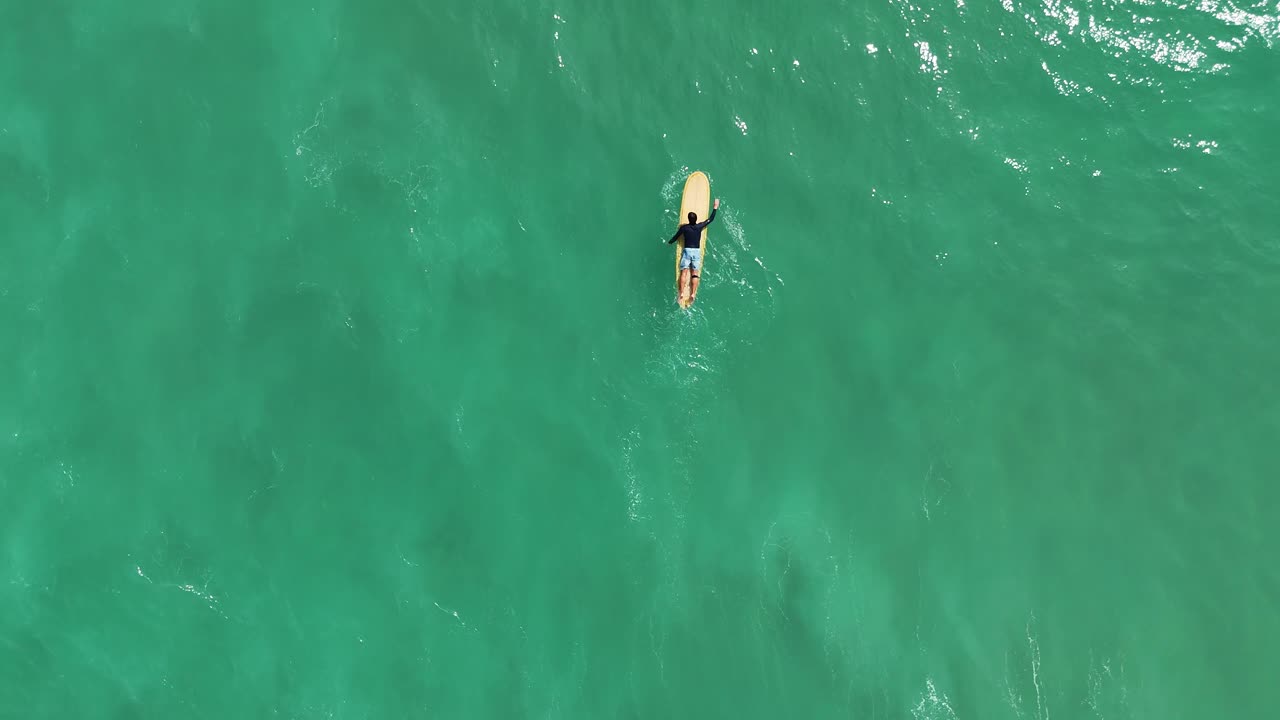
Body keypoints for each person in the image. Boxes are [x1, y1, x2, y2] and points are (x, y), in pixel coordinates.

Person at [668, 198, 719, 304]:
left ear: (688, 219)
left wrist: (669, 242)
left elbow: (676, 237)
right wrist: (715, 207)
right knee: (695, 273)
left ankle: (681, 293)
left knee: (684, 272)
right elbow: (710, 219)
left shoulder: (684, 228)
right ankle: (693, 294)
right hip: (696, 251)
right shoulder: (699, 226)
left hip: (687, 251)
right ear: (696, 220)